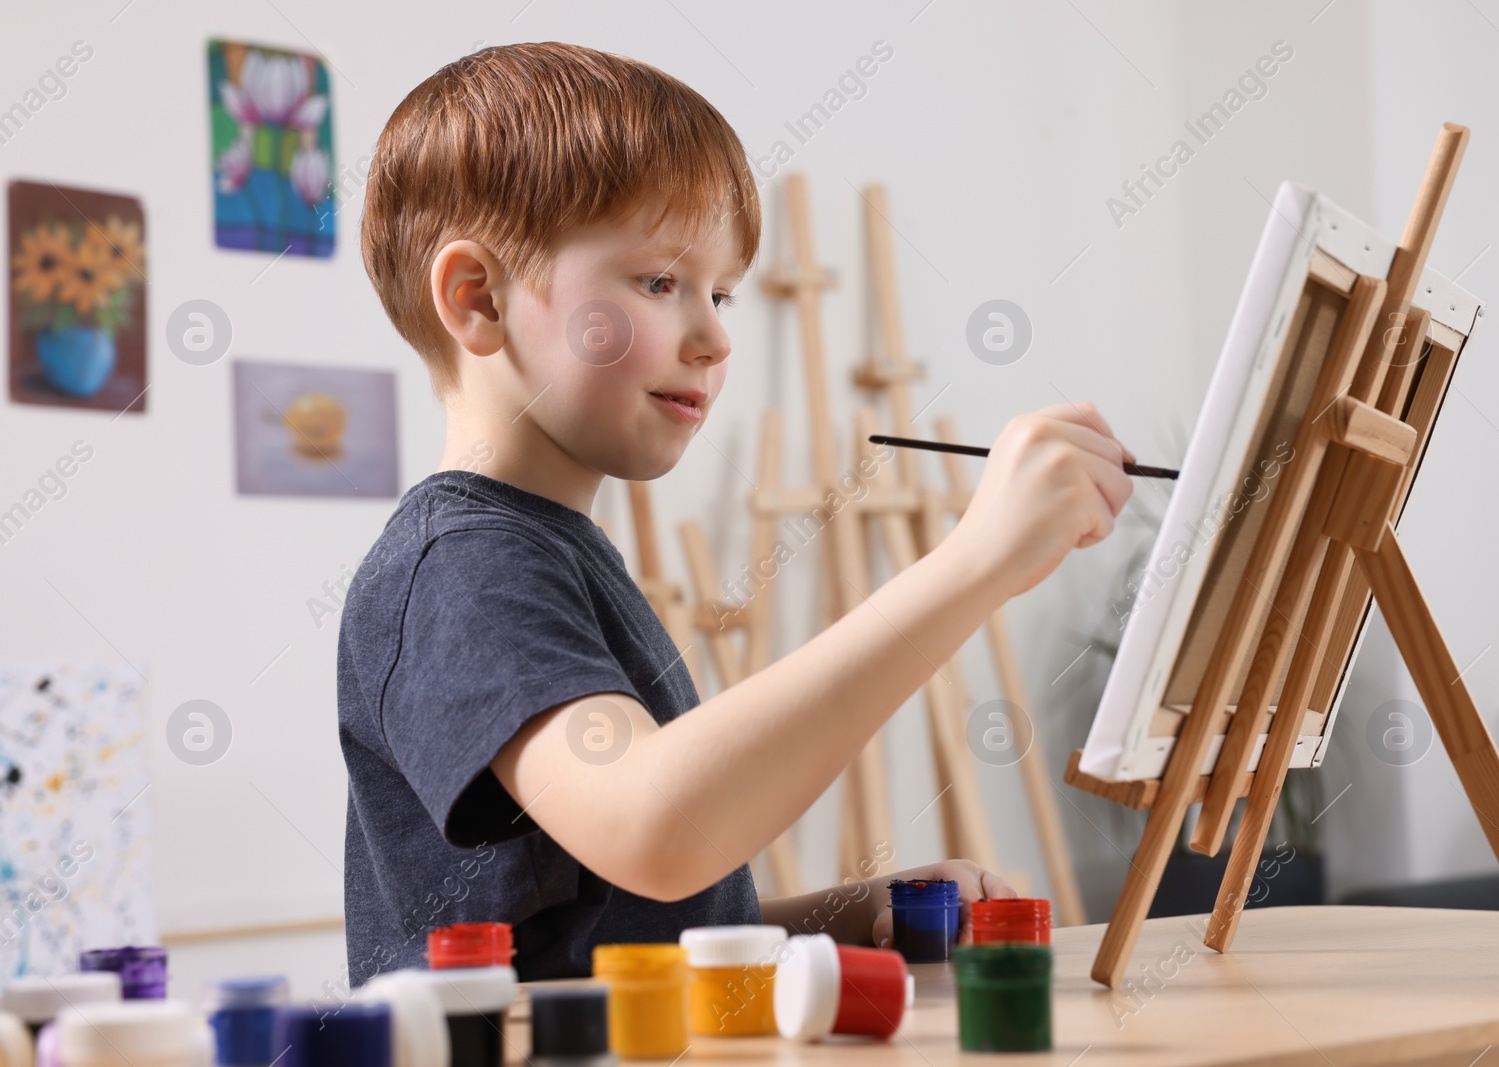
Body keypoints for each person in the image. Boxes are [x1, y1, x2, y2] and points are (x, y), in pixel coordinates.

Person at [338, 41, 1134, 984]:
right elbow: (654, 827)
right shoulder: (459, 569)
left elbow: (627, 929)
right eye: (659, 283)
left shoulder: (547, 551)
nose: (715, 337)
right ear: (478, 299)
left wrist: (842, 916)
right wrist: (975, 562)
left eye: (720, 293)